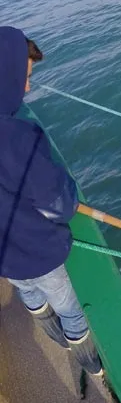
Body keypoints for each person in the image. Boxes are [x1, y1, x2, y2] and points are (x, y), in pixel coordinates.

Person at [0, 25, 102, 376]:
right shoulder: (17, 137)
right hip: (36, 254)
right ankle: (91, 364)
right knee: (69, 307)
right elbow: (58, 203)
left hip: (5, 261)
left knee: (31, 296)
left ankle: (55, 337)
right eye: (24, 77)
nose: (26, 87)